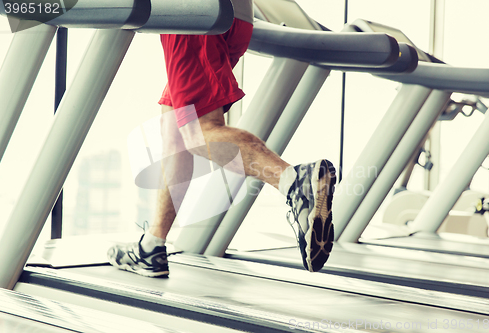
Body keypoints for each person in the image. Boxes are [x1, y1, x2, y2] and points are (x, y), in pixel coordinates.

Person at [107, 0, 336, 276]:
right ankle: (152, 247)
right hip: (234, 16)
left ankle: (293, 181)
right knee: (176, 129)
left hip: (194, 15)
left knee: (199, 130)